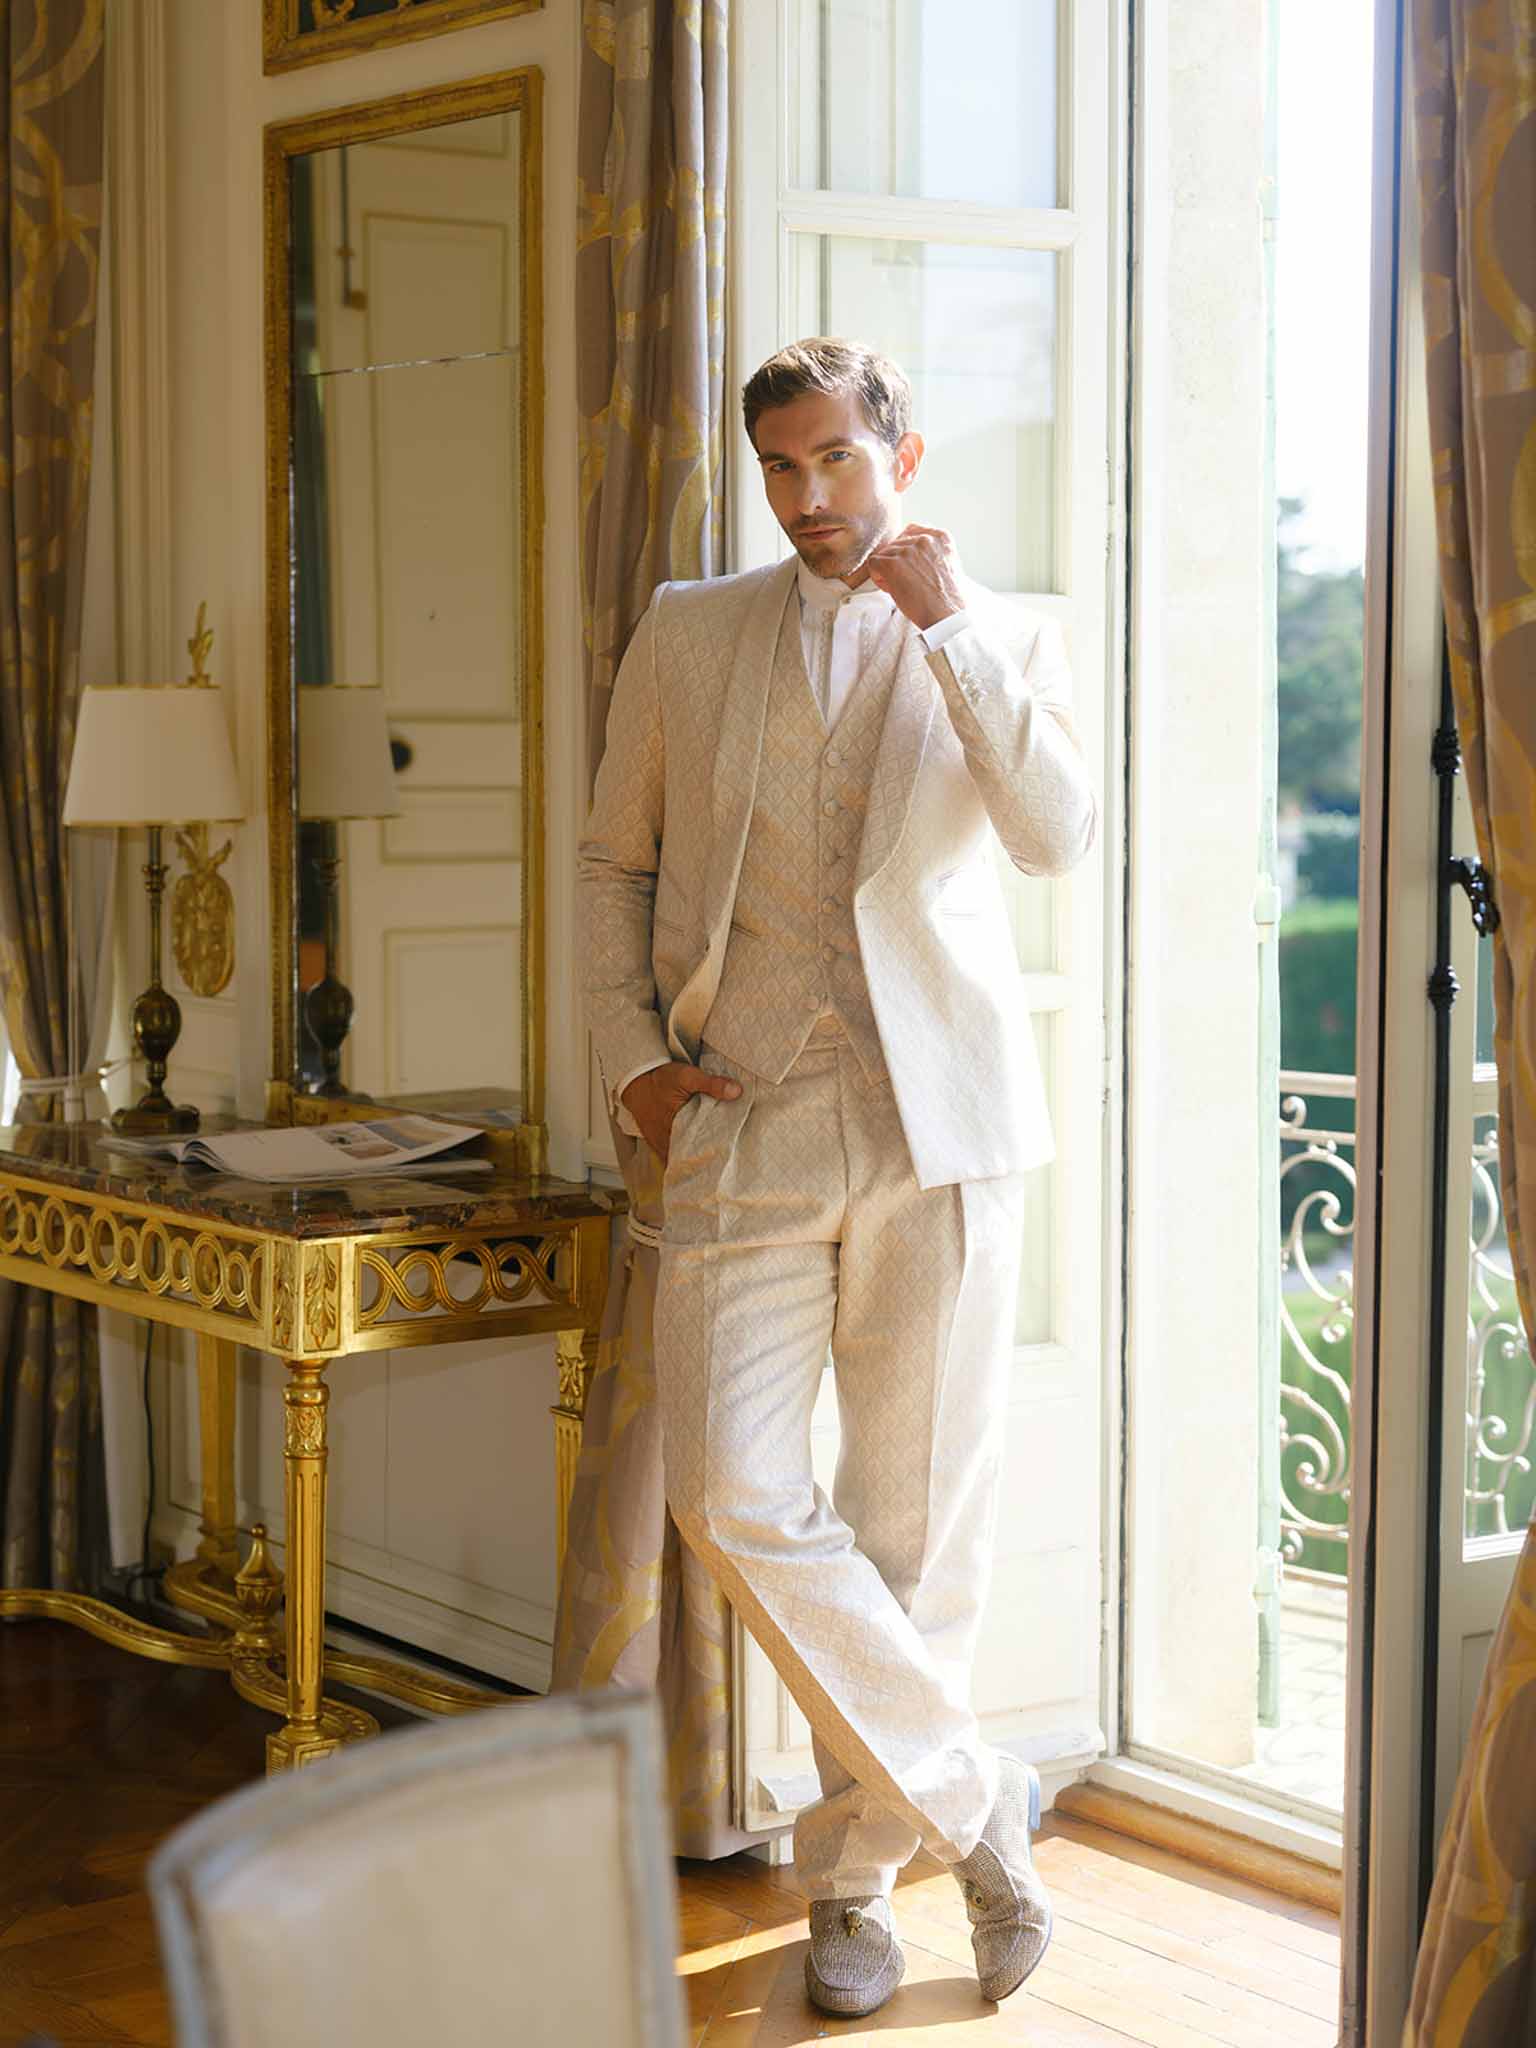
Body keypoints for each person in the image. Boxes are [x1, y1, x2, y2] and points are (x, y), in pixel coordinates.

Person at [578, 336, 1096, 2018]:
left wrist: (946, 628)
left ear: (904, 457)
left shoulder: (1001, 632)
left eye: (837, 466)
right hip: (742, 1115)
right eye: (781, 471)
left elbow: (1052, 832)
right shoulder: (690, 628)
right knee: (728, 1489)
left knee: (911, 1530)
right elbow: (613, 864)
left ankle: (855, 1892)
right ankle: (981, 1812)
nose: (809, 500)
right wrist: (631, 1064)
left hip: (938, 1127)